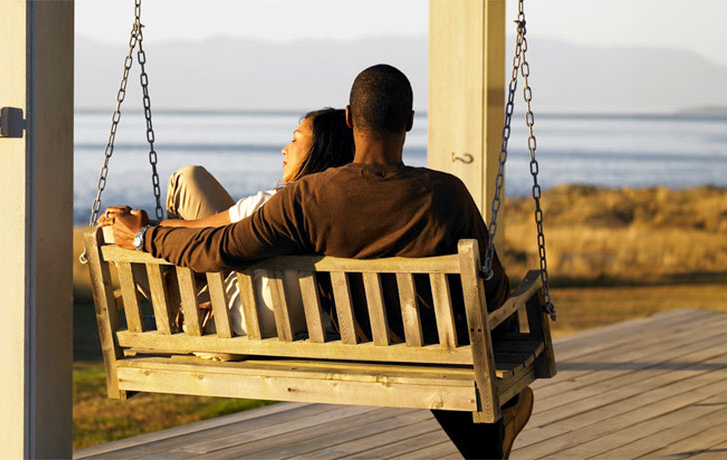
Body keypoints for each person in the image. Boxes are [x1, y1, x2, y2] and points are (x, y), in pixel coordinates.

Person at [103, 64, 534, 459]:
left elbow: (219, 248)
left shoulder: (308, 197)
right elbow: (490, 285)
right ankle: (494, 434)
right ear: (409, 122)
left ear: (349, 119)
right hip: (439, 347)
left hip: (367, 340)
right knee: (453, 346)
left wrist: (143, 236)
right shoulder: (446, 193)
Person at [98, 108, 354, 338]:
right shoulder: (340, 209)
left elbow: (202, 237)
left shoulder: (272, 206)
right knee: (189, 189)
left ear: (321, 151)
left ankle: (174, 310)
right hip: (303, 328)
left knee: (117, 230)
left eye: (296, 140)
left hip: (222, 330)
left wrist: (140, 230)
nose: (284, 148)